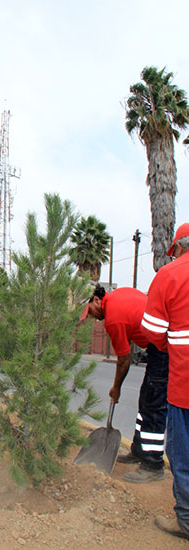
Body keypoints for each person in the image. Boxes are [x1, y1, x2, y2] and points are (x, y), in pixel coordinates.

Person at [80, 285, 169, 483]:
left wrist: (116, 388)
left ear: (96, 300)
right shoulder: (118, 296)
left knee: (153, 404)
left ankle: (153, 465)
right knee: (146, 400)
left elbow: (124, 360)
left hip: (164, 346)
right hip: (158, 344)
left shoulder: (114, 318)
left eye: (90, 312)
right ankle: (138, 450)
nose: (92, 317)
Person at [140, 223, 189, 540]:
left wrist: (165, 346)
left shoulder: (170, 275)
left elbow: (152, 332)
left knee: (183, 454)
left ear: (179, 247)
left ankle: (186, 520)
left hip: (184, 382)